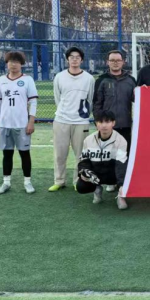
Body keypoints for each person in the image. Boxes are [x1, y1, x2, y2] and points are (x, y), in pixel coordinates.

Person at [49, 46, 95, 192]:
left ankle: (78, 181)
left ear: (81, 60)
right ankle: (59, 181)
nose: (74, 60)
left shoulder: (89, 78)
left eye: (77, 57)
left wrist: (84, 115)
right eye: (71, 57)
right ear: (67, 60)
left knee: (81, 155)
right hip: (61, 120)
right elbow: (57, 98)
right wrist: (64, 112)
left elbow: (91, 99)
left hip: (81, 122)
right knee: (60, 154)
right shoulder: (59, 77)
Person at [0, 51, 38, 195]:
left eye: (17, 62)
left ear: (21, 64)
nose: (13, 64)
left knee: (25, 154)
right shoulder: (1, 80)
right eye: (11, 61)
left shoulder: (28, 80)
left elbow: (33, 102)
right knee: (7, 154)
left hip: (22, 124)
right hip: (5, 124)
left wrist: (31, 122)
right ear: (7, 64)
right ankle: (6, 182)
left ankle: (27, 182)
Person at [77, 110, 129, 209]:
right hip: (96, 174)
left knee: (127, 175)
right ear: (96, 123)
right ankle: (97, 188)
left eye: (107, 122)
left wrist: (122, 184)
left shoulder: (121, 140)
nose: (104, 125)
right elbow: (84, 161)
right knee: (81, 186)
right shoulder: (88, 140)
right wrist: (84, 173)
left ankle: (120, 195)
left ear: (113, 123)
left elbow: (121, 164)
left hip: (112, 174)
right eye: (100, 122)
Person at [93, 50, 136, 148]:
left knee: (124, 155)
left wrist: (144, 91)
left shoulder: (131, 80)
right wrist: (98, 122)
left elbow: (137, 100)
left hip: (125, 125)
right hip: (107, 126)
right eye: (112, 60)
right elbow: (96, 104)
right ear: (107, 62)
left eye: (118, 60)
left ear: (123, 62)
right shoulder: (101, 80)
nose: (115, 63)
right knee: (107, 155)